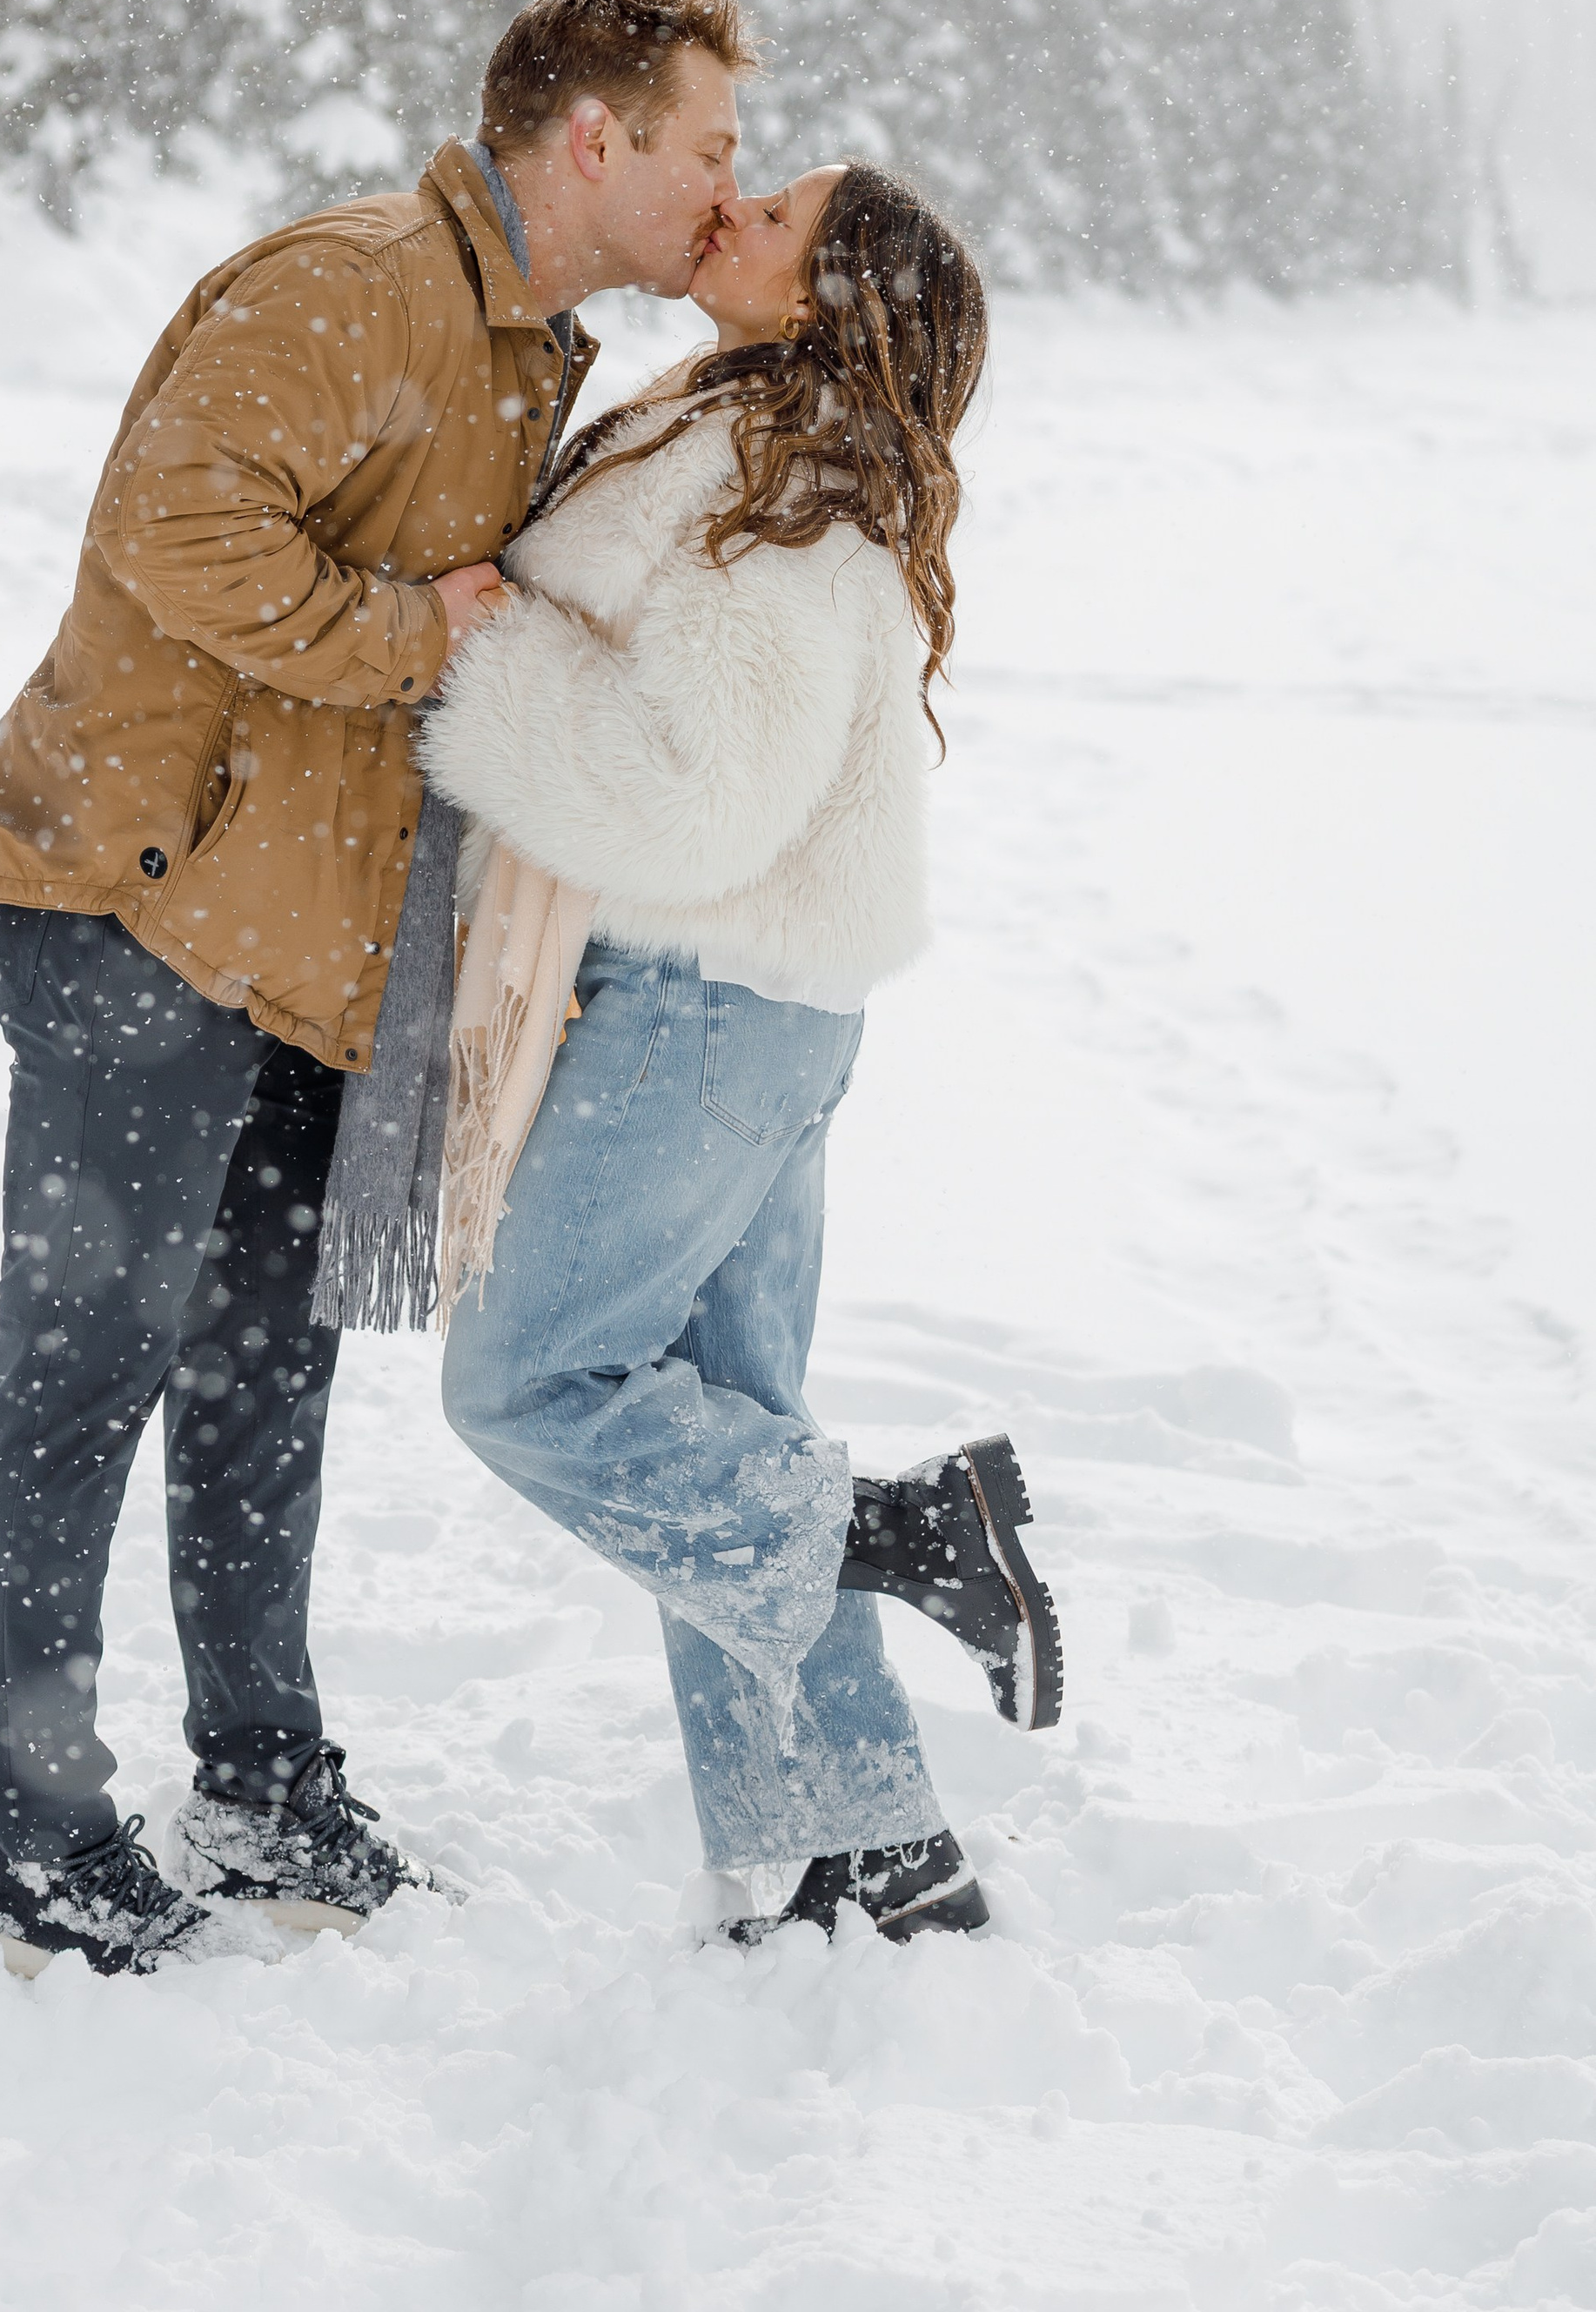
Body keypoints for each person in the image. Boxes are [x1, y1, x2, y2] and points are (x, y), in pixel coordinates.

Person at [0, 0, 751, 1977]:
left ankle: (263, 1783)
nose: (726, 190)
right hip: (139, 904)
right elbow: (175, 526)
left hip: (297, 940)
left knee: (258, 1375)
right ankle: (36, 1838)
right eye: (708, 147)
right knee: (87, 1372)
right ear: (594, 138)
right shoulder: (360, 284)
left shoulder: (526, 344)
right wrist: (415, 635)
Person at [425, 157, 1063, 1950]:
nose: (736, 210)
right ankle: (874, 1849)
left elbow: (695, 801)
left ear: (826, 298)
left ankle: (907, 1532)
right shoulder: (750, 439)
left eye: (777, 215)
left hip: (699, 1000)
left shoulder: (773, 496)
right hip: (753, 1009)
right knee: (719, 1433)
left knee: (530, 1385)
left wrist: (491, 649)